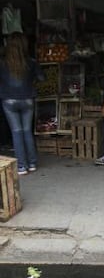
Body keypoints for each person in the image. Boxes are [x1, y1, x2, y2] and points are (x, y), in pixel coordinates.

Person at [0, 32, 44, 175]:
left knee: (16, 132)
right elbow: (41, 78)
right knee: (27, 131)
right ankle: (32, 163)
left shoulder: (2, 62)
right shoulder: (31, 62)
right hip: (27, 99)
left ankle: (21, 167)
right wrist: (31, 81)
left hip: (8, 100)